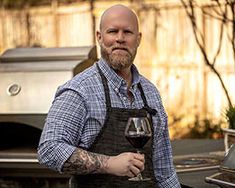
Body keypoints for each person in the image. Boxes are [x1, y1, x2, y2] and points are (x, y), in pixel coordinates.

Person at [37, 4, 180, 188]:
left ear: (138, 39)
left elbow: (164, 171)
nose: (120, 39)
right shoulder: (79, 90)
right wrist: (109, 164)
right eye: (113, 31)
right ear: (99, 37)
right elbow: (49, 150)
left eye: (127, 32)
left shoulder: (150, 92)